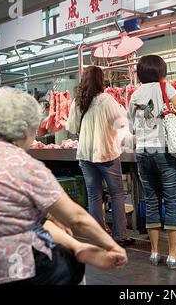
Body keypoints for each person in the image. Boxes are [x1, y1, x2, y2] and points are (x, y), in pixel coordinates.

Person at [0, 87, 127, 285]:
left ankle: (78, 248)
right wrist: (112, 246)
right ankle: (77, 251)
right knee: (69, 263)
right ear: (27, 129)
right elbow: (77, 218)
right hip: (9, 267)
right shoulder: (22, 164)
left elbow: (32, 219)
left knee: (41, 221)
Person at [128, 55, 176, 269]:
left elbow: (131, 127)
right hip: (165, 151)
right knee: (172, 201)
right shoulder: (167, 88)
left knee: (152, 200)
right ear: (161, 71)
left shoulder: (135, 94)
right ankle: (174, 255)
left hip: (143, 152)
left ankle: (154, 253)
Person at [66, 66, 135, 247]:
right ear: (100, 80)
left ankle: (98, 235)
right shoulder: (106, 100)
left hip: (85, 155)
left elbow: (72, 128)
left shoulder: (77, 102)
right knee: (117, 194)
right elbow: (120, 124)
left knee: (94, 195)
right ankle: (120, 235)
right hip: (106, 154)